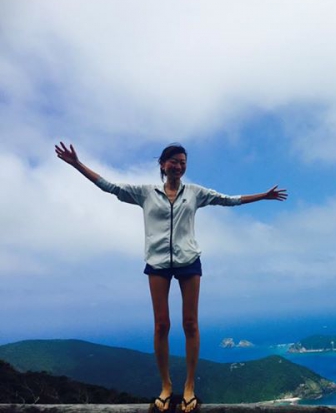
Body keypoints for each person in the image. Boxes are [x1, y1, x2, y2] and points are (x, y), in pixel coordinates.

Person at [55, 142, 287, 413]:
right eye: (174, 161)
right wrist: (77, 164)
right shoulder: (145, 193)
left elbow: (228, 199)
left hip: (189, 262)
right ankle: (166, 385)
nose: (179, 165)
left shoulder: (195, 193)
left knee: (190, 324)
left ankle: (189, 386)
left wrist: (262, 196)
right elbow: (110, 187)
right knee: (161, 326)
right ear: (163, 165)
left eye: (183, 162)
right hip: (157, 264)